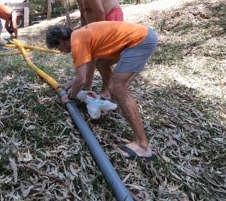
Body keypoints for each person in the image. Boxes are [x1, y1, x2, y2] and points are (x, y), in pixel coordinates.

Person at [45, 21, 158, 160]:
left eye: (59, 48)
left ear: (61, 41)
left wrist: (70, 97)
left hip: (140, 40)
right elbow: (84, 75)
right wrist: (69, 84)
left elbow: (81, 80)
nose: (61, 52)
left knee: (117, 87)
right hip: (142, 36)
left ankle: (142, 145)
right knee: (101, 63)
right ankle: (114, 101)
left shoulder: (77, 43)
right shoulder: (81, 35)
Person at [56, 0, 124, 98]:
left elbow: (99, 11)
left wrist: (97, 35)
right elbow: (83, 14)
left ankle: (106, 91)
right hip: (98, 24)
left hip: (109, 18)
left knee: (102, 58)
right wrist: (84, 33)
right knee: (90, 54)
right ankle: (87, 85)